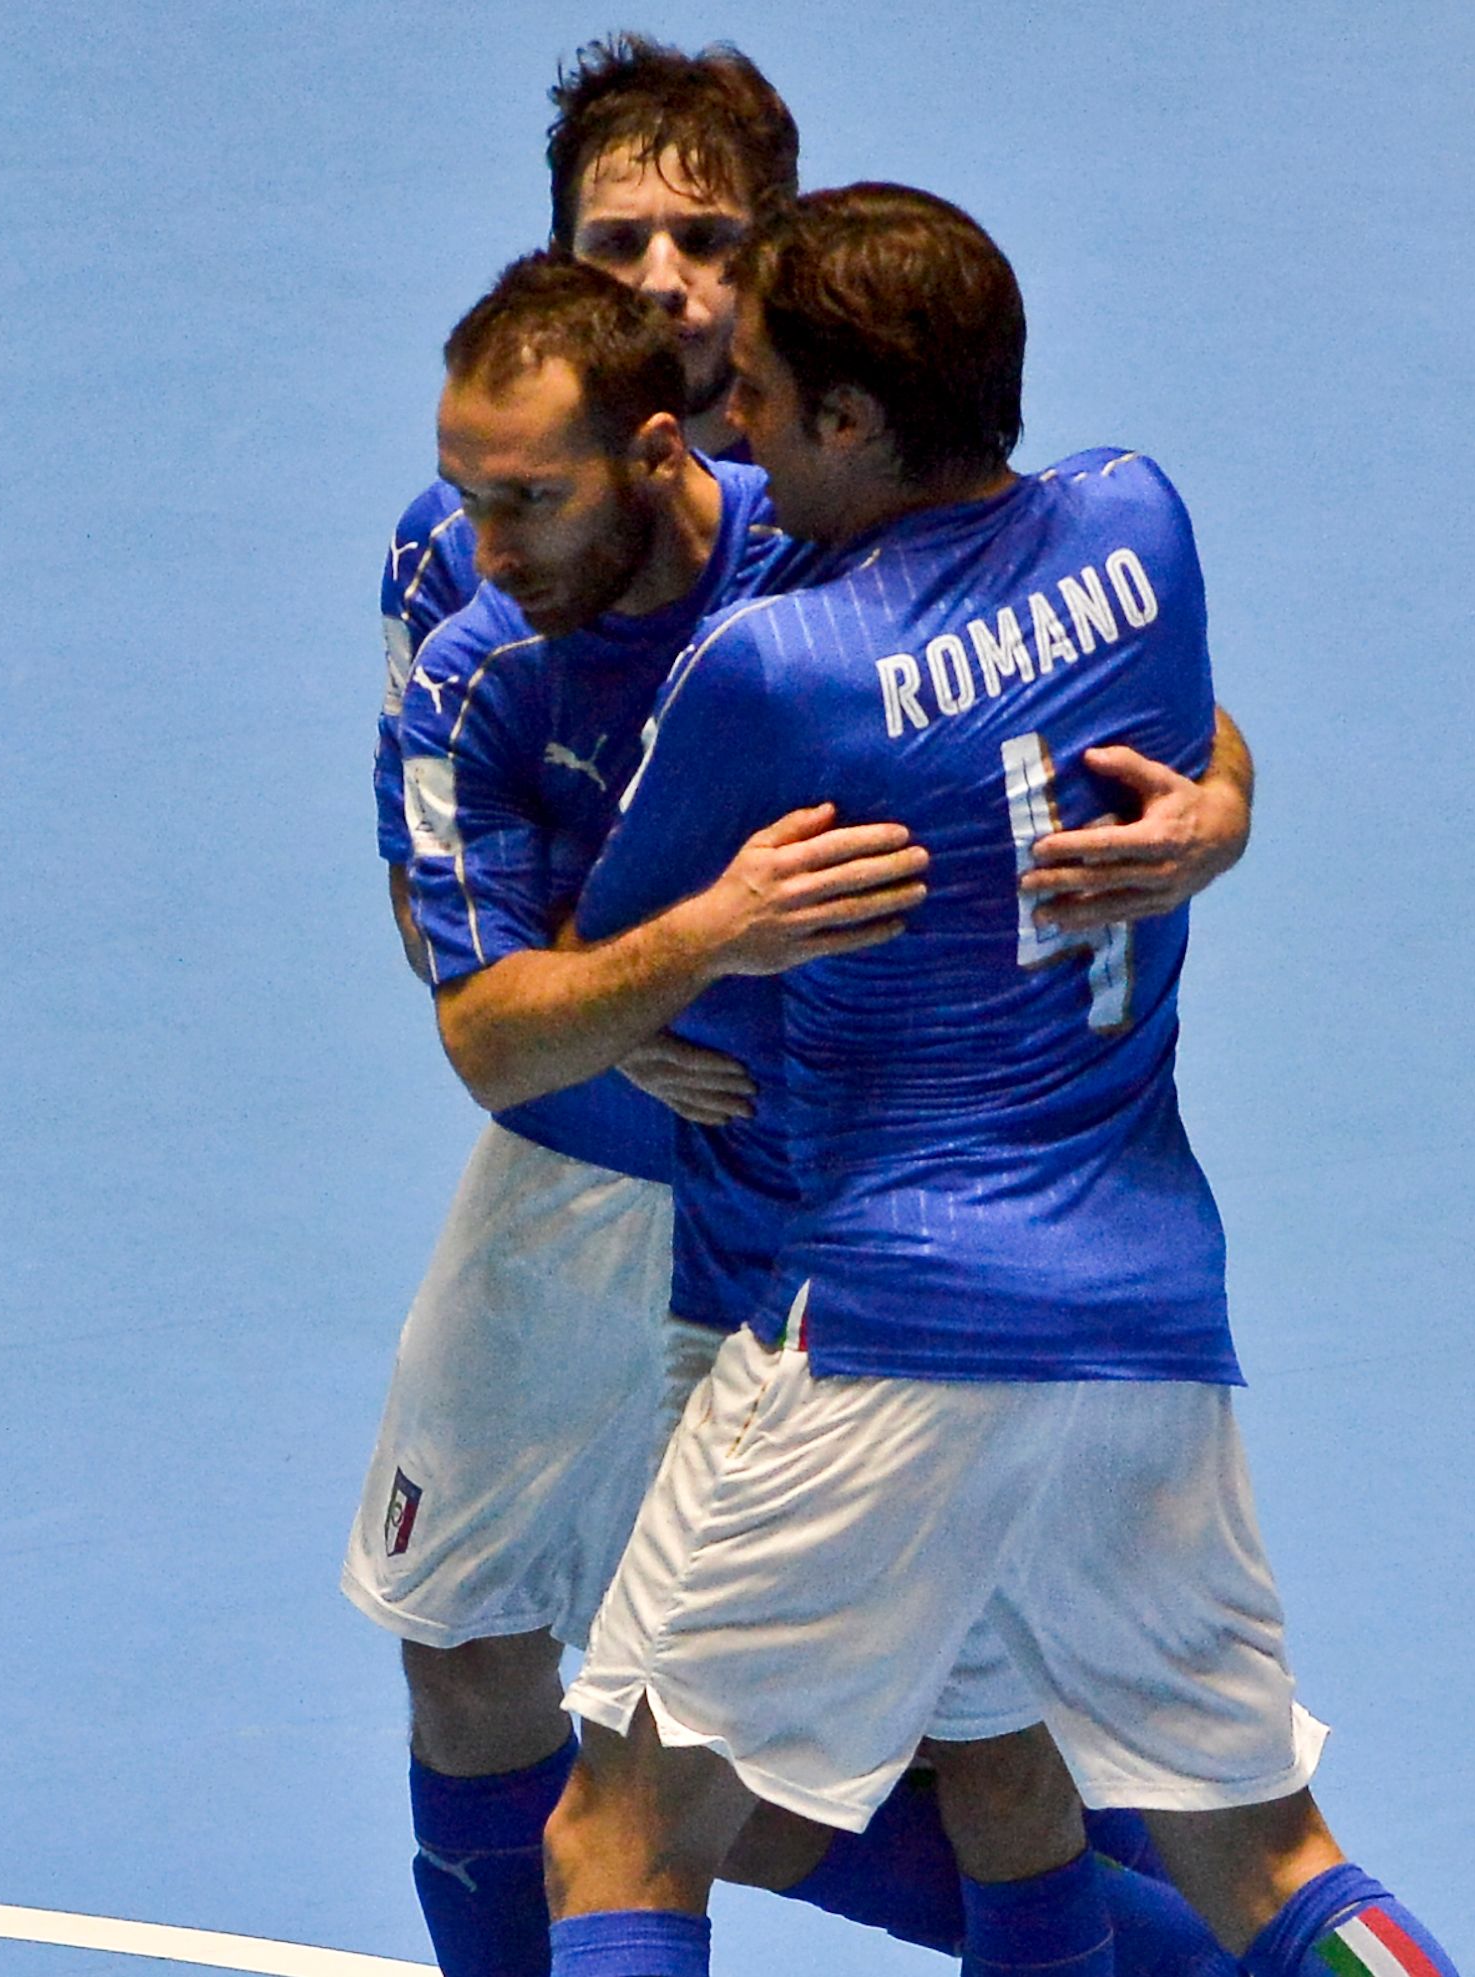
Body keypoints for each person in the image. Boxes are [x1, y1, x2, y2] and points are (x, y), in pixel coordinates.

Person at [351, 40, 1252, 1977]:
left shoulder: (844, 477)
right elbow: (479, 974)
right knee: (476, 1640)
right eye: (622, 237)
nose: (669, 275)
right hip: (614, 1145)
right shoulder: (483, 534)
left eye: (707, 236)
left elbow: (1108, 673)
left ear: (772, 261)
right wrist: (661, 968)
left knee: (901, 1741)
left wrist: (1221, 799)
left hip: (856, 1197)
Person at [539, 184, 1454, 1977]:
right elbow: (1175, 733)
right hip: (1145, 1318)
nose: (741, 424)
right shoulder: (1143, 522)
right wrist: (1224, 810)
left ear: (858, 422)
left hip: (888, 1315)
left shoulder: (777, 666)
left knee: (622, 1831)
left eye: (775, 396)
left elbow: (627, 963)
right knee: (1270, 1855)